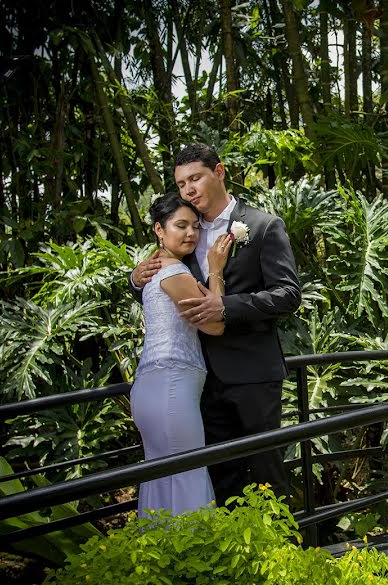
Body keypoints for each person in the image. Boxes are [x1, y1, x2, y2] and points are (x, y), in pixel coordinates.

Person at [130, 143, 301, 504]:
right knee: (220, 478)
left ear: (219, 172)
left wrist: (225, 307)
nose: (188, 189)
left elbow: (287, 294)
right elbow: (168, 292)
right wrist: (135, 281)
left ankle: (287, 557)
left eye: (195, 178)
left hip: (253, 373)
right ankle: (229, 559)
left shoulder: (263, 226)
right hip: (200, 382)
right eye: (180, 184)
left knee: (268, 473)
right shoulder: (184, 233)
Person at [130, 192, 233, 517]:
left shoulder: (157, 268)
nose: (191, 233)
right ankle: (198, 561)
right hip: (172, 385)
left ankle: (162, 559)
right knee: (187, 475)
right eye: (180, 225)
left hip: (155, 387)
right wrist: (216, 270)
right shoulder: (174, 272)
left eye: (195, 226)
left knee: (162, 480)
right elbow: (215, 324)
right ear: (160, 230)